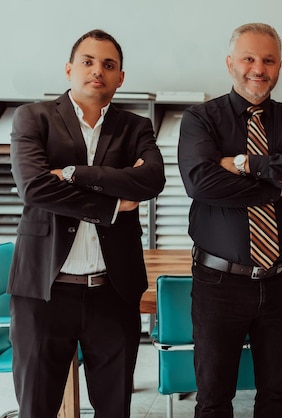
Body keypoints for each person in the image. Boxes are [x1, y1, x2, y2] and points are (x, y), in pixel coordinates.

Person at [8, 29, 165, 417]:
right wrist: (111, 206)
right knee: (37, 407)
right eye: (88, 62)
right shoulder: (33, 117)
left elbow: (152, 180)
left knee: (114, 409)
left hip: (113, 292)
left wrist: (75, 173)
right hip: (44, 292)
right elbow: (34, 189)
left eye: (109, 65)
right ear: (69, 69)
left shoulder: (135, 127)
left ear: (120, 77)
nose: (99, 71)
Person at [177, 22, 282, 418]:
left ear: (279, 66)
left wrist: (246, 164)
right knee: (213, 400)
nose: (257, 69)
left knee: (277, 398)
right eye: (248, 58)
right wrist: (278, 182)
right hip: (218, 282)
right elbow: (200, 182)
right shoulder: (201, 120)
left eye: (268, 60)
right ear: (231, 63)